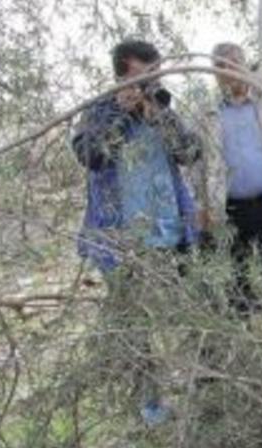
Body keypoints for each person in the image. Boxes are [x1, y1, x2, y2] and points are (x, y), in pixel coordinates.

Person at [72, 39, 201, 425]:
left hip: (172, 236)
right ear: (120, 77)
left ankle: (205, 389)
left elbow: (191, 151)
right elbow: (90, 156)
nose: (150, 84)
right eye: (142, 78)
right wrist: (123, 114)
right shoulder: (96, 114)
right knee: (137, 328)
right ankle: (151, 407)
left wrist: (155, 113)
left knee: (192, 315)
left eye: (155, 75)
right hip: (122, 244)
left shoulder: (162, 110)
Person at [193, 42, 262, 333]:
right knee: (237, 278)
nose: (231, 72)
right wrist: (203, 207)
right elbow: (201, 165)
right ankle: (246, 339)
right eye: (222, 66)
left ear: (245, 65)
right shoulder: (208, 114)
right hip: (230, 210)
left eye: (236, 63)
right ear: (214, 72)